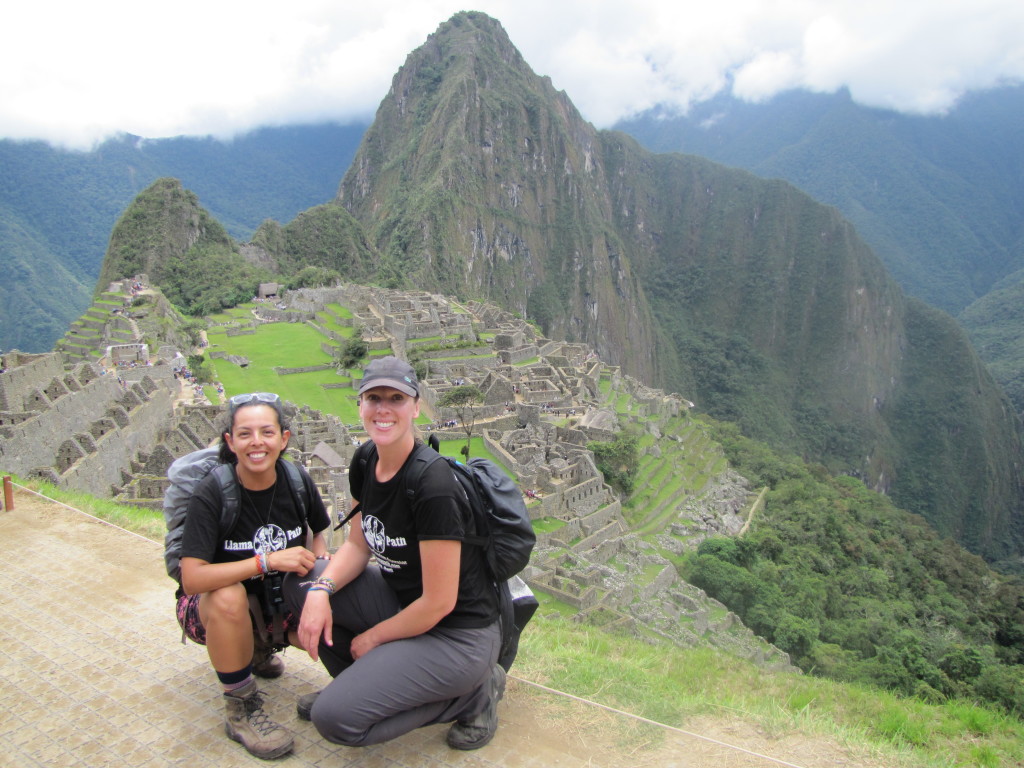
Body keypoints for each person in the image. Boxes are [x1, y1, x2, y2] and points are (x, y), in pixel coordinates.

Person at [284, 356, 505, 750]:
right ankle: (364, 688)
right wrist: (321, 591)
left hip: (457, 634)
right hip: (404, 603)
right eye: (373, 398)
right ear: (361, 405)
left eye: (396, 398)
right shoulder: (365, 459)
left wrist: (374, 637)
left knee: (334, 720)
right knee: (301, 582)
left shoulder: (432, 483)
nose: (383, 409)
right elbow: (356, 545)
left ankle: (474, 692)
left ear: (416, 406)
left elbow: (439, 603)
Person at [178, 392, 331, 759]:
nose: (257, 442)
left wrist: (320, 568)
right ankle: (241, 707)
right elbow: (193, 580)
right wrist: (267, 561)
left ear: (284, 438)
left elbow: (321, 532)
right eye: (245, 434)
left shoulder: (296, 480)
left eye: (267, 432)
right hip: (215, 609)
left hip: (280, 603)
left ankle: (347, 681)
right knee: (230, 596)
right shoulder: (213, 493)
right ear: (230, 442)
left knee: (333, 584)